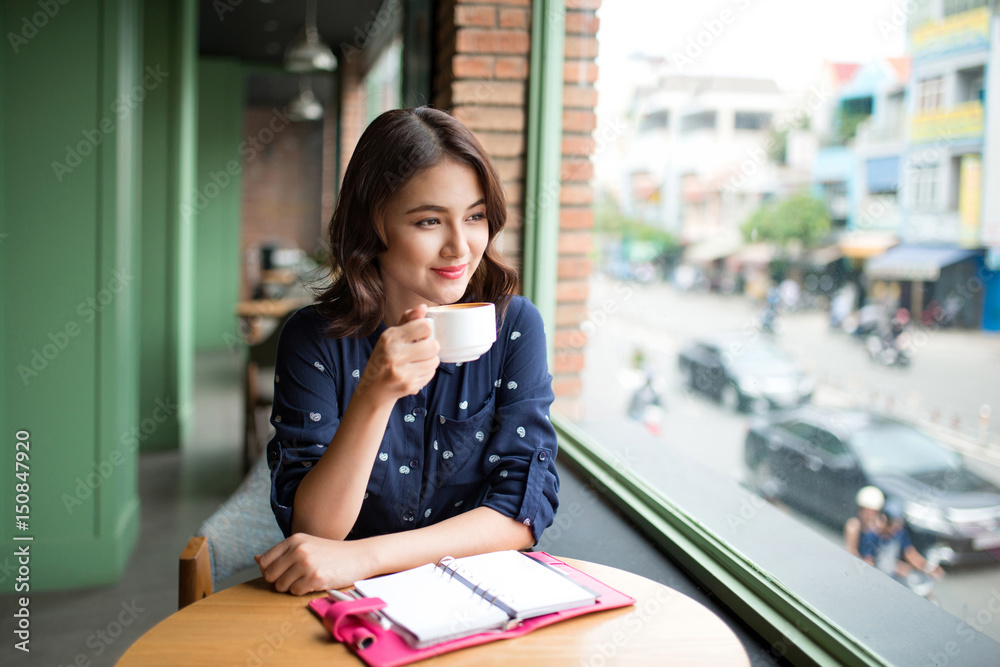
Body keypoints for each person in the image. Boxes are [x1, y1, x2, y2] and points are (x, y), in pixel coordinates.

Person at [255, 107, 560, 595]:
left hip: (473, 600)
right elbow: (314, 531)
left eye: (475, 216)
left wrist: (364, 557)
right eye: (428, 221)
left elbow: (521, 513)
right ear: (374, 224)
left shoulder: (515, 327)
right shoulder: (314, 339)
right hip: (347, 608)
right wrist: (374, 396)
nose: (460, 247)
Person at [859, 499, 945, 583]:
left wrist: (928, 568)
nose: (897, 529)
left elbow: (910, 554)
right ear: (884, 519)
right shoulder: (871, 536)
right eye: (893, 524)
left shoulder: (899, 533)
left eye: (899, 524)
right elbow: (868, 561)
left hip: (892, 579)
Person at [843, 485, 884, 557]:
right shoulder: (854, 525)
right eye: (867, 511)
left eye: (873, 512)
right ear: (860, 510)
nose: (869, 515)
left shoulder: (878, 528)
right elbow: (851, 552)